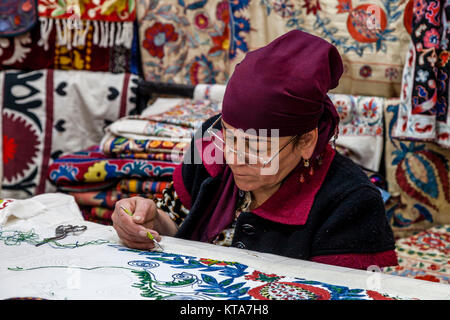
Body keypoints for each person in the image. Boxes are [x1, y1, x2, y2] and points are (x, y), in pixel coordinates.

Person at [111, 30, 398, 270]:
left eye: (256, 147)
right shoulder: (211, 144)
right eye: (231, 137)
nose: (233, 159)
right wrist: (149, 222)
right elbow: (176, 223)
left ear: (307, 141)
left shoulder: (350, 203)